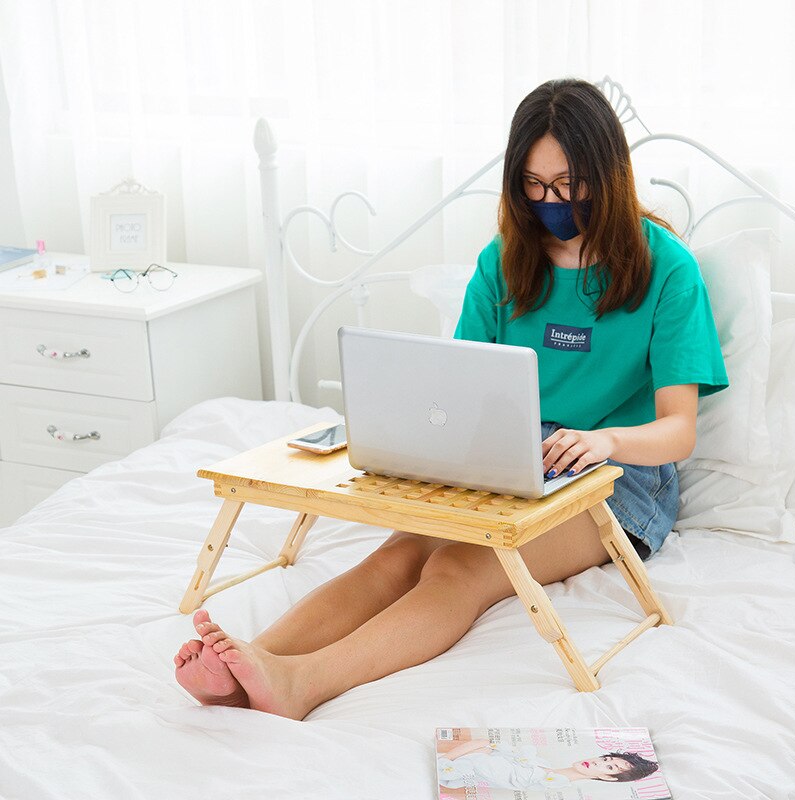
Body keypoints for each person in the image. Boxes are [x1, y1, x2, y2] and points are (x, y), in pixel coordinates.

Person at [173, 77, 729, 720]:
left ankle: (304, 684)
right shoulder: (505, 261)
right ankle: (246, 659)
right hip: (511, 452)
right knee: (398, 553)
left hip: (619, 472)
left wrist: (603, 440)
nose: (551, 201)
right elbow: (461, 389)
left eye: (568, 183)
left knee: (460, 569)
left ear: (609, 174)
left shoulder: (668, 268)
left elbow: (678, 430)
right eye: (534, 184)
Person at [436, 737, 658, 791]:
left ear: (608, 778)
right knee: (485, 745)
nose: (598, 762)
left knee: (484, 745)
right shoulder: (540, 765)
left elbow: (481, 762)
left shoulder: (546, 782)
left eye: (609, 768)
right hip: (452, 764)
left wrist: (482, 749)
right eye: (605, 759)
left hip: (450, 769)